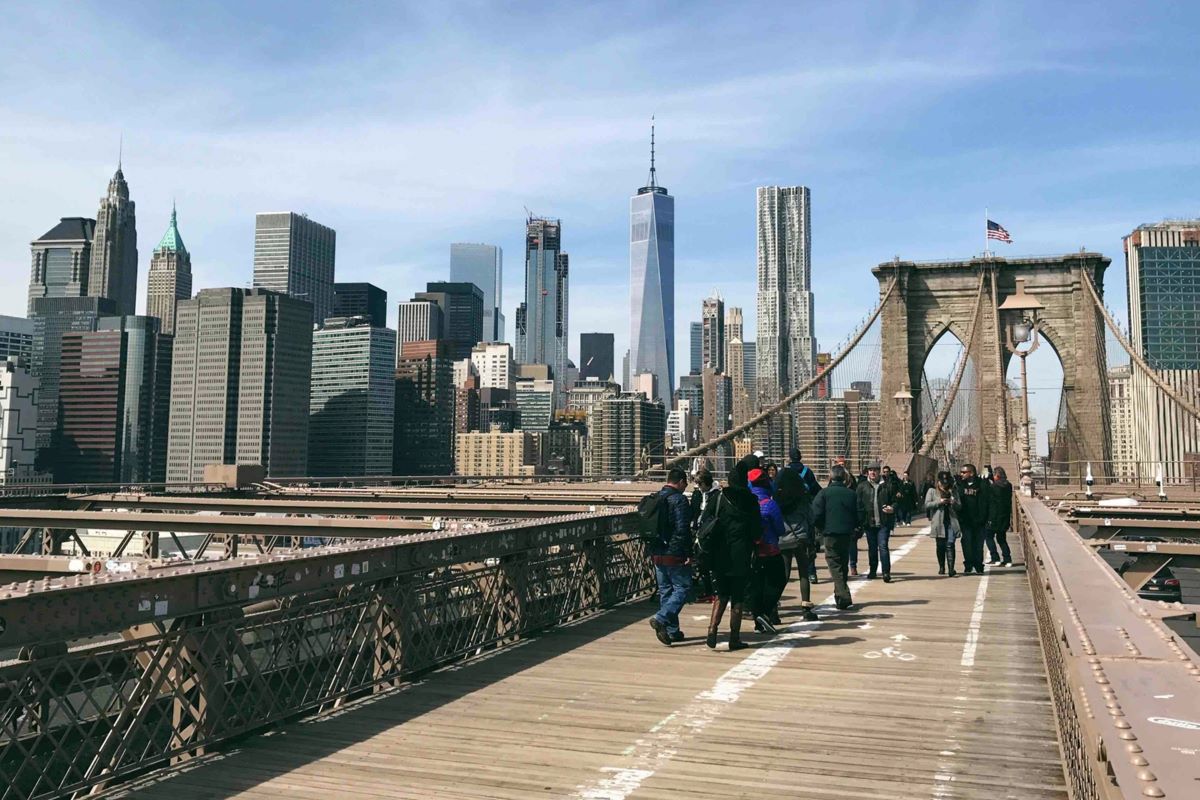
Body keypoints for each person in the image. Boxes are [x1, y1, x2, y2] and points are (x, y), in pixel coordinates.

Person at [705, 455, 760, 651]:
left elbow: (705, 521)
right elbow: (757, 531)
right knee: (738, 597)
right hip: (741, 555)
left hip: (720, 553)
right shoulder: (752, 501)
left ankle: (712, 630)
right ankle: (734, 638)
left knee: (721, 593)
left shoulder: (718, 497)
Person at [648, 467, 694, 646]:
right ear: (681, 481)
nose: (685, 487)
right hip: (674, 553)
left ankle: (672, 632)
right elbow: (683, 530)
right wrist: (687, 553)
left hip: (656, 552)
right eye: (685, 483)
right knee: (683, 587)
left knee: (666, 590)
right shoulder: (680, 500)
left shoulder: (656, 498)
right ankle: (661, 618)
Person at [775, 447, 822, 621]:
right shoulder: (803, 496)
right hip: (801, 537)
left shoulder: (778, 499)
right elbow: (811, 518)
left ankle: (774, 607)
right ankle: (806, 608)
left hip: (783, 538)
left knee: (784, 574)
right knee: (803, 572)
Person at [812, 465, 861, 610]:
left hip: (830, 533)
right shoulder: (851, 494)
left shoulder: (824, 493)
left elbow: (815, 514)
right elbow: (859, 514)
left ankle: (843, 595)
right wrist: (855, 527)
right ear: (844, 477)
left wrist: (821, 528)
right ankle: (840, 598)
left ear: (830, 477)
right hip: (847, 534)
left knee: (834, 564)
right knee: (843, 563)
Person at [748, 467, 786, 634]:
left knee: (756, 585)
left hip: (751, 552)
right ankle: (765, 611)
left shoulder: (746, 503)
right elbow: (780, 529)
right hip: (770, 549)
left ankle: (758, 621)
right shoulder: (770, 504)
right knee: (778, 581)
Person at [856, 464, 898, 581]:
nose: (872, 472)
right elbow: (858, 505)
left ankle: (886, 572)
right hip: (869, 523)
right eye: (870, 470)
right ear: (867, 472)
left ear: (879, 472)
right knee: (872, 548)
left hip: (883, 522)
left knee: (883, 546)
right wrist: (860, 522)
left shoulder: (887, 485)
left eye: (874, 470)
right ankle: (873, 570)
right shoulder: (862, 487)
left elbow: (896, 501)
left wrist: (892, 508)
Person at [925, 470, 962, 576]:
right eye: (942, 482)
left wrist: (953, 502)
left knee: (950, 544)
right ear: (939, 481)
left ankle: (951, 569)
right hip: (938, 522)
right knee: (940, 545)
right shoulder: (932, 491)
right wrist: (939, 502)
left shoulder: (953, 491)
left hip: (951, 521)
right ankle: (942, 567)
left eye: (946, 482)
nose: (944, 484)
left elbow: (960, 506)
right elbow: (927, 505)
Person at [956, 463, 991, 575]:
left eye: (964, 472)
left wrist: (987, 518)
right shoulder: (960, 485)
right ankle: (968, 565)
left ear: (971, 473)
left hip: (979, 520)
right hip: (965, 521)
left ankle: (978, 565)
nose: (962, 474)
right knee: (966, 543)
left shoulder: (982, 484)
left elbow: (987, 502)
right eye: (961, 472)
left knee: (978, 544)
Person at [691, 470, 721, 600]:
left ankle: (715, 591)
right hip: (700, 532)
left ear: (706, 483)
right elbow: (694, 510)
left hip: (712, 533)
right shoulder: (698, 494)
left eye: (700, 484)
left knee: (712, 563)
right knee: (701, 562)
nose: (698, 487)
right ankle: (709, 591)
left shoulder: (717, 495)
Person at [988, 466, 1015, 566]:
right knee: (1002, 538)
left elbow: (991, 503)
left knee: (988, 536)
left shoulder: (993, 487)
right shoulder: (1008, 485)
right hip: (1005, 516)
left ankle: (995, 558)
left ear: (997, 476)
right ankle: (1007, 559)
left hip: (994, 516)